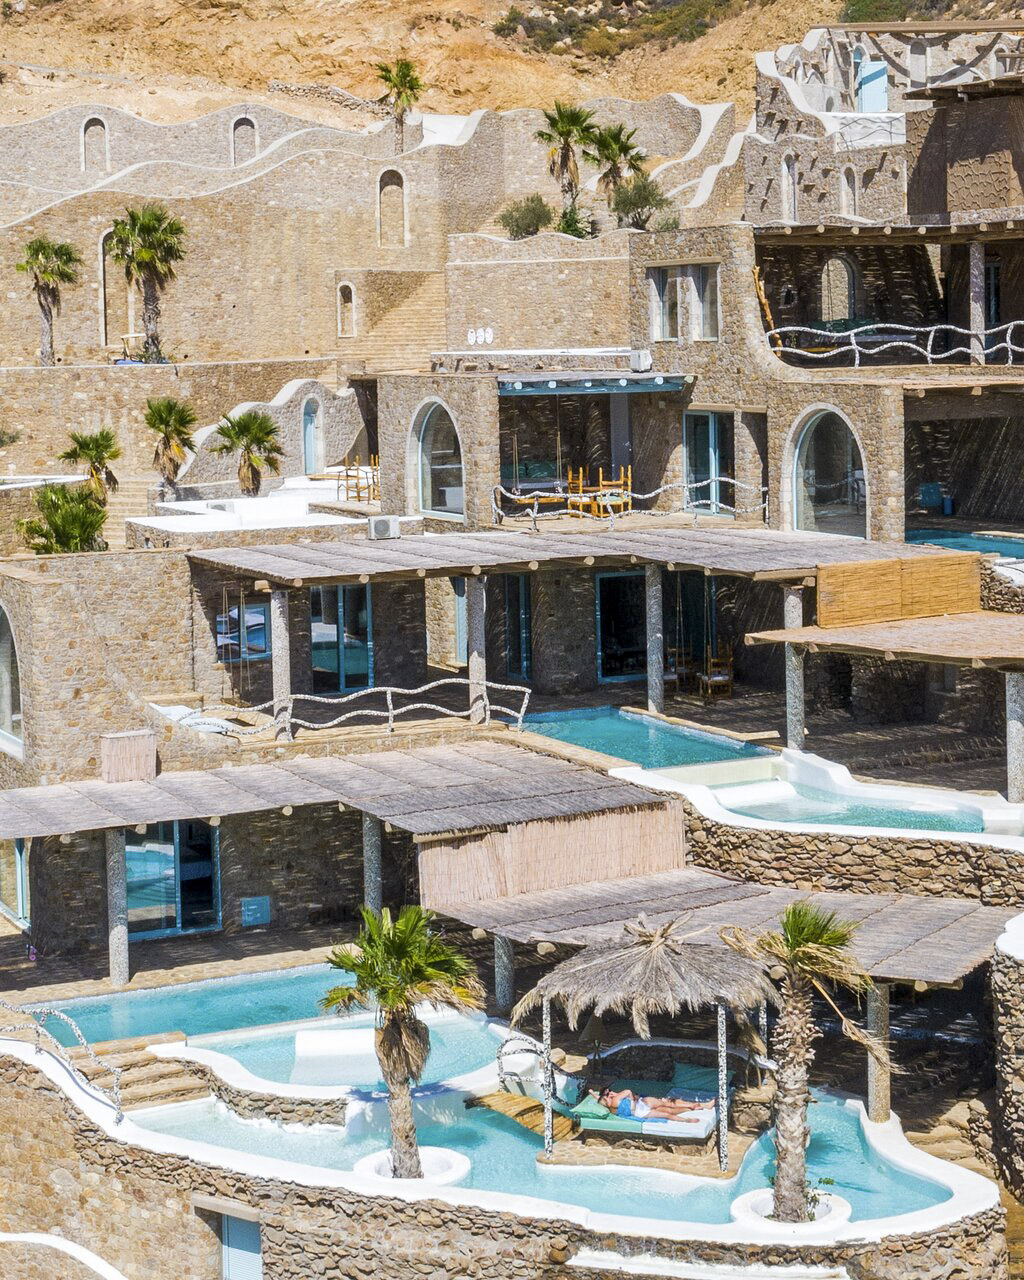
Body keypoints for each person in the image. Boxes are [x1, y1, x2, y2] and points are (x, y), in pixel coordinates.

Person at [594, 1086, 707, 1122]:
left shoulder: (610, 1107)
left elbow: (598, 1098)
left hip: (640, 1110)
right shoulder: (614, 1100)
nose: (609, 1094)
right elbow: (628, 1091)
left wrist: (591, 1093)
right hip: (640, 1107)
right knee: (666, 1105)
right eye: (607, 1095)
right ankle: (692, 1107)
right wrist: (632, 1101)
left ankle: (691, 1110)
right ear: (605, 1100)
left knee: (667, 1109)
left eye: (609, 1093)